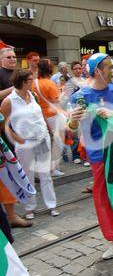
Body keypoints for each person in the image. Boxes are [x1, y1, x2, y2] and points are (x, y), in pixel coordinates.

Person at [68, 53, 113, 260]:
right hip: (98, 153)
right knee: (104, 196)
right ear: (96, 70)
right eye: (109, 67)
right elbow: (71, 132)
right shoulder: (80, 96)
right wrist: (72, 121)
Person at [1, 69, 59, 219]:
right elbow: (4, 124)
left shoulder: (33, 96)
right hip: (25, 143)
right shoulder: (9, 101)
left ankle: (51, 205)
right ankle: (29, 208)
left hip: (42, 138)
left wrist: (48, 128)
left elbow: (40, 114)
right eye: (30, 80)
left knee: (46, 174)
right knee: (28, 175)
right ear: (22, 82)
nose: (33, 82)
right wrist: (16, 138)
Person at [0, 46, 32, 228]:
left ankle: (12, 214)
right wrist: (14, 89)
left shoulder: (17, 73)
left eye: (14, 57)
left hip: (19, 129)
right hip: (4, 129)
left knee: (12, 170)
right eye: (9, 57)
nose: (13, 59)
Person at [32, 59, 66, 177]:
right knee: (58, 143)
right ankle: (53, 168)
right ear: (49, 69)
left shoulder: (34, 82)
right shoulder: (50, 84)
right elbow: (57, 100)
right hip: (53, 115)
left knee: (45, 143)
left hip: (41, 115)